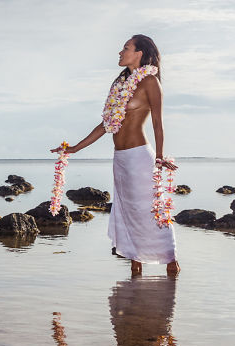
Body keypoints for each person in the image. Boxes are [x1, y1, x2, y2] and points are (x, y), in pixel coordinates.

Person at [51, 35, 180, 275]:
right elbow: (106, 124)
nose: (120, 53)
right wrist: (75, 148)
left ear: (139, 53)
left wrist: (160, 157)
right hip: (120, 159)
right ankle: (135, 266)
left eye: (126, 48)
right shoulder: (119, 83)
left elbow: (157, 123)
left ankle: (171, 263)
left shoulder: (150, 81)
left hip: (140, 157)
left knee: (150, 208)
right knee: (126, 210)